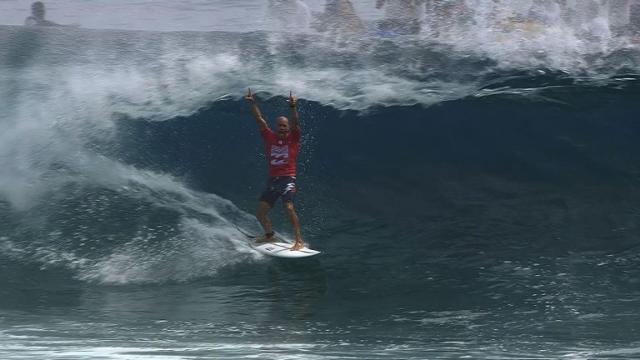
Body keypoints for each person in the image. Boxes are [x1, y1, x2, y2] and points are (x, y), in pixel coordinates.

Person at [244, 89, 305, 251]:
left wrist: (292, 106)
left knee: (289, 207)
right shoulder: (269, 137)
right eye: (280, 126)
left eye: (285, 126)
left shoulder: (294, 138)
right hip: (273, 180)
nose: (283, 128)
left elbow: (295, 122)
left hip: (287, 179)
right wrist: (252, 103)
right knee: (260, 213)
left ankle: (299, 240)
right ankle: (270, 235)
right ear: (276, 127)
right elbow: (259, 119)